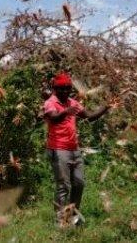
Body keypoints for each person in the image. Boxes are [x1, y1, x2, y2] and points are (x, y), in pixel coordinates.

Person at [42, 72, 113, 226]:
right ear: (55, 89)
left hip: (74, 149)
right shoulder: (50, 102)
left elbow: (89, 116)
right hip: (58, 149)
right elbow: (53, 118)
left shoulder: (73, 103)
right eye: (61, 88)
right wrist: (65, 112)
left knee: (79, 183)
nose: (64, 91)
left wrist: (106, 107)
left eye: (67, 88)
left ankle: (73, 217)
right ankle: (61, 221)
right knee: (63, 186)